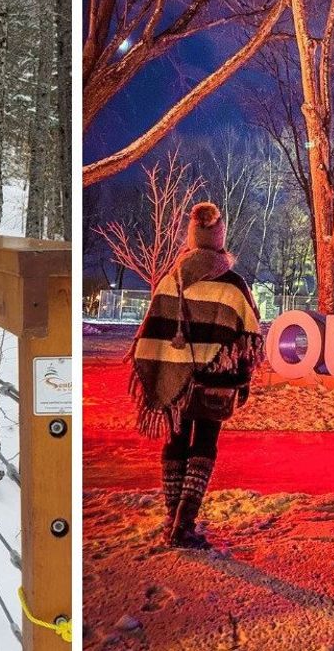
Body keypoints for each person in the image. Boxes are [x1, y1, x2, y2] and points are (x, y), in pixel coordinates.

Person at [128, 202, 264, 549]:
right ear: (219, 238)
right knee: (204, 444)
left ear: (191, 237)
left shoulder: (170, 279)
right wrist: (242, 379)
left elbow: (150, 333)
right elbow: (248, 338)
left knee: (174, 443)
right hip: (214, 384)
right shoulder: (233, 284)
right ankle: (184, 525)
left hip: (174, 380)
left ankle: (171, 519)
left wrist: (162, 371)